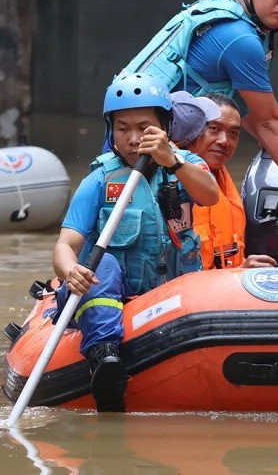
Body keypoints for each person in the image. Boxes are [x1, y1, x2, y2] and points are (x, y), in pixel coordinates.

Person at [51, 72, 220, 412]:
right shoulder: (100, 179)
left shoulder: (186, 165)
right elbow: (65, 245)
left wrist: (172, 161)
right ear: (110, 130)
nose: (132, 138)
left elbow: (211, 195)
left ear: (164, 128)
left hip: (172, 297)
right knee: (102, 264)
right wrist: (70, 271)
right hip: (118, 295)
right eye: (122, 127)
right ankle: (104, 357)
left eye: (144, 127)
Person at [122, 0, 278, 209]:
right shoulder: (240, 39)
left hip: (133, 144)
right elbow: (269, 121)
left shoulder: (218, 8)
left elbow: (244, 108)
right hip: (153, 155)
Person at [186, 92, 277, 270]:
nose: (224, 141)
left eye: (233, 133)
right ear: (190, 127)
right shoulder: (167, 178)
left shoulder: (224, 181)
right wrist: (237, 274)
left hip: (226, 290)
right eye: (213, 129)